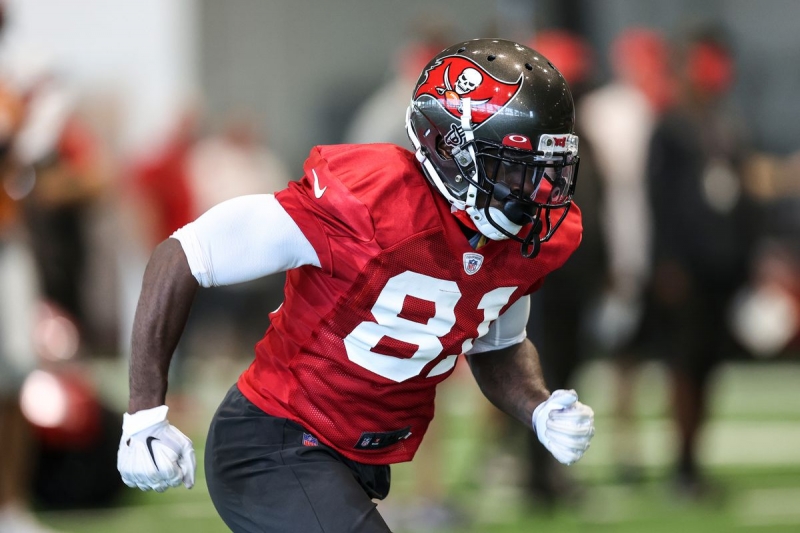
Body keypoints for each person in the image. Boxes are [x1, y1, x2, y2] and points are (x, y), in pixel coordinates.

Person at [116, 39, 596, 533]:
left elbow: (498, 345)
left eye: (546, 169)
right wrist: (143, 414)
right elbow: (185, 253)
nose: (537, 191)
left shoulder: (522, 241)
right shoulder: (368, 202)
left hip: (354, 459)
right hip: (274, 442)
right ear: (450, 150)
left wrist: (537, 406)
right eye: (514, 166)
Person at [646, 27, 759, 498]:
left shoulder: (725, 123)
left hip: (722, 265)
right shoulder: (670, 124)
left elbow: (741, 195)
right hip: (686, 267)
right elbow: (658, 200)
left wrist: (748, 256)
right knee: (685, 364)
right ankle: (683, 466)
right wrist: (666, 262)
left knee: (710, 365)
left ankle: (694, 462)